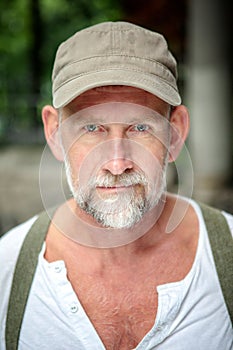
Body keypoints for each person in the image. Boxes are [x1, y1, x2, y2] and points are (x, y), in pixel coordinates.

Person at [0, 21, 232, 350]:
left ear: (175, 133)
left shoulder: (229, 256)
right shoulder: (7, 268)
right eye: (91, 127)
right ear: (54, 133)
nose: (116, 163)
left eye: (140, 127)